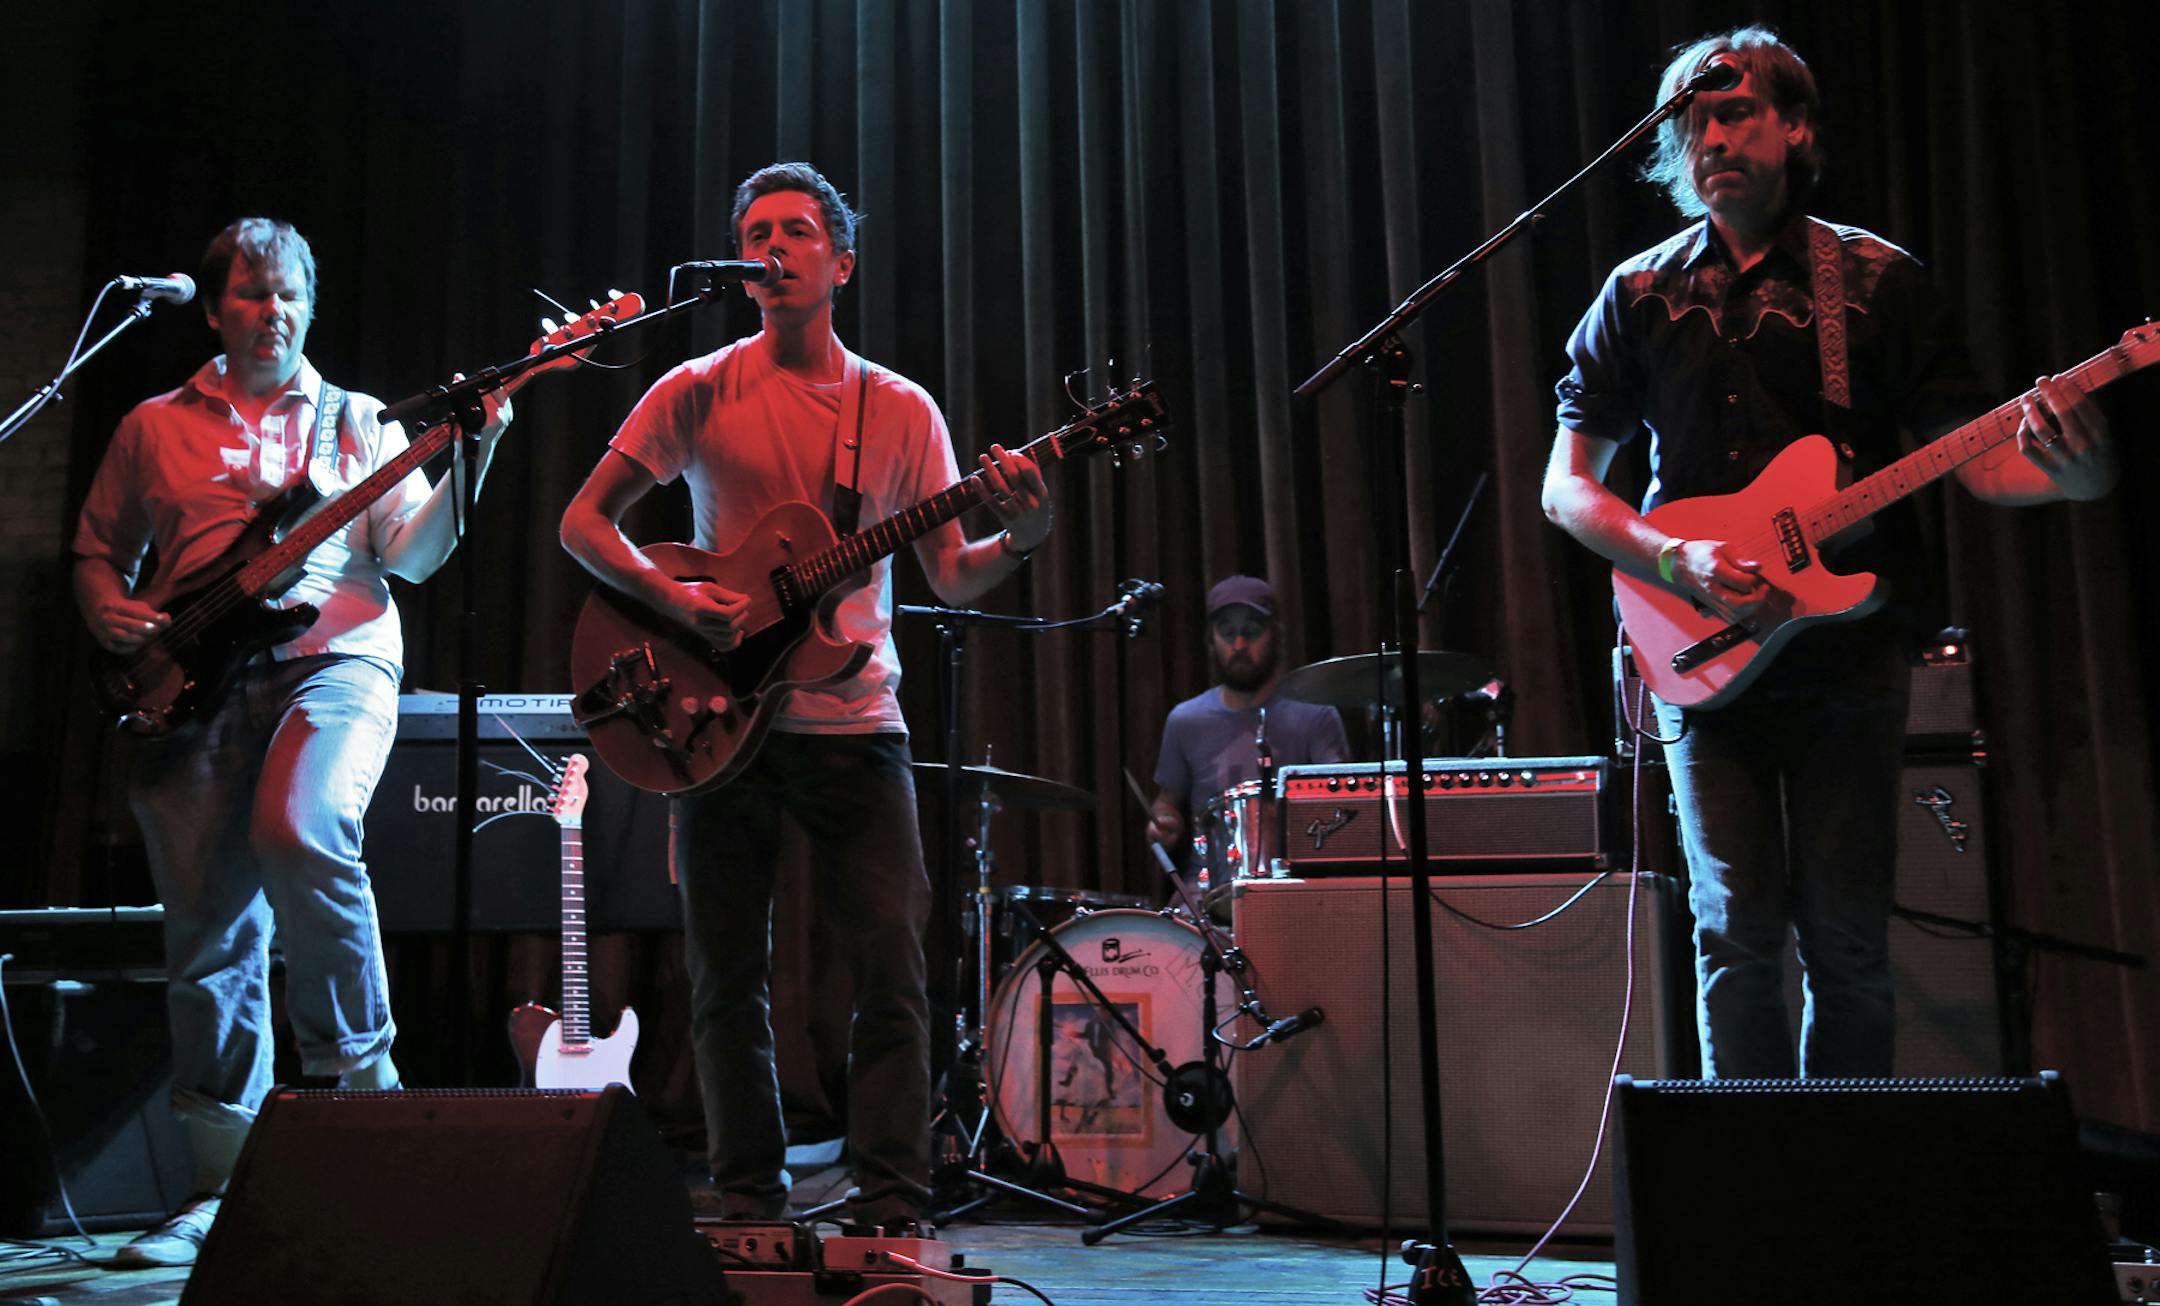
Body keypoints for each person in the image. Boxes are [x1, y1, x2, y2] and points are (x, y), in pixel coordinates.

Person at [1540, 27, 2118, 1079]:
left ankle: (1843, 1203)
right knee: (1734, 937)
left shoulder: (1878, 281)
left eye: (1736, 111)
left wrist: (2081, 474)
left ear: (1794, 127)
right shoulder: (1635, 294)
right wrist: (1677, 562)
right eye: (1692, 121)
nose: (1712, 136)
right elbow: (1566, 486)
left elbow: (1981, 463)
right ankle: (1748, 1205)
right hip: (1701, 649)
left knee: (1847, 944)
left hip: (1850, 655)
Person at [558, 162, 1051, 1231]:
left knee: (891, 967)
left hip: (856, 717)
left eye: (794, 232)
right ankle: (748, 1199)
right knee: (725, 976)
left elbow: (953, 572)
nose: (771, 249)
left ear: (842, 260)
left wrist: (1025, 535)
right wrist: (677, 605)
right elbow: (584, 523)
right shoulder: (696, 389)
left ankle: (891, 1203)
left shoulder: (899, 408)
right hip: (718, 721)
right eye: (755, 235)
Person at [73, 217, 514, 1264]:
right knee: (209, 936)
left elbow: (411, 556)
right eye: (251, 294)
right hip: (187, 682)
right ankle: (222, 1186)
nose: (272, 312)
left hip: (337, 656)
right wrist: (107, 610)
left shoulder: (358, 422)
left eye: (289, 295)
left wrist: (475, 453)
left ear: (311, 305)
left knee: (303, 830)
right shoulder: (151, 426)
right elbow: (97, 550)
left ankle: (369, 1090)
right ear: (218, 308)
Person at [1147, 575, 1350, 885]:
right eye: (1227, 633)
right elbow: (1168, 800)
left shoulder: (1316, 713)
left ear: (1275, 635)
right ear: (1211, 639)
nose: (1239, 645)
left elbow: (1341, 801)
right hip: (1207, 893)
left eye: (1251, 631)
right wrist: (1164, 821)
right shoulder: (1185, 719)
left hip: (1296, 886)